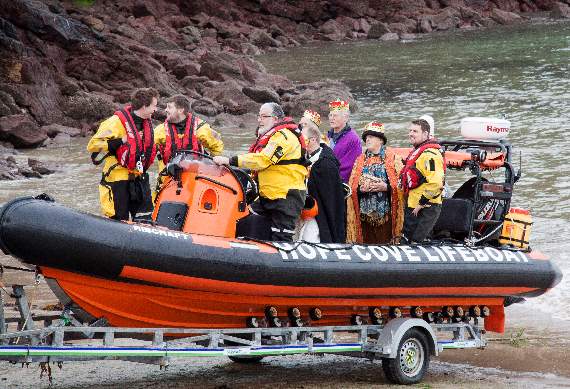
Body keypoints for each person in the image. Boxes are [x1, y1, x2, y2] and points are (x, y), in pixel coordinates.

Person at [213, 103, 308, 242]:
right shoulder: (271, 135)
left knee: (281, 237)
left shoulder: (284, 136)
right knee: (245, 219)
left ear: (275, 119)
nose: (259, 120)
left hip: (286, 196)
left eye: (264, 116)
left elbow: (263, 160)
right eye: (259, 116)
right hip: (268, 195)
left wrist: (229, 160)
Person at [87, 88, 159, 221]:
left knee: (146, 220)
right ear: (144, 106)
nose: (156, 109)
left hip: (138, 177)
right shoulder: (115, 122)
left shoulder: (146, 124)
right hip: (117, 178)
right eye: (154, 105)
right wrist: (122, 140)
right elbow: (93, 145)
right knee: (119, 220)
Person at [153, 95, 224, 194]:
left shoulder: (201, 128)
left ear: (180, 110)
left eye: (169, 107)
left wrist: (212, 169)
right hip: (168, 177)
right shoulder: (160, 131)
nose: (165, 110)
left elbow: (217, 147)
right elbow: (147, 150)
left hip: (195, 175)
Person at [346, 122, 403, 244]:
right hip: (364, 217)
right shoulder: (360, 159)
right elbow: (352, 186)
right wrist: (361, 189)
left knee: (386, 244)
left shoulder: (393, 158)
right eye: (366, 137)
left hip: (386, 217)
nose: (367, 139)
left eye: (371, 136)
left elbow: (401, 184)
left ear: (381, 140)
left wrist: (386, 187)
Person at [299, 110, 346, 243]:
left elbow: (329, 196)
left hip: (319, 212)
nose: (301, 143)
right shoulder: (303, 157)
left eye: (303, 140)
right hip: (303, 207)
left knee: (311, 238)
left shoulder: (326, 163)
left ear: (313, 139)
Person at [399, 119, 445, 243]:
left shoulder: (430, 154)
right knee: (406, 240)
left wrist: (422, 202)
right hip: (413, 205)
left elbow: (436, 183)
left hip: (426, 207)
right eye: (410, 130)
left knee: (414, 242)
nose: (411, 134)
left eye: (415, 131)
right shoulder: (418, 152)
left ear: (425, 134)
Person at [326, 99, 362, 183]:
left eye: (335, 115)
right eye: (330, 115)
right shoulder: (329, 135)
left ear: (345, 118)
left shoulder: (353, 139)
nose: (332, 118)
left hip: (341, 183)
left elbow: (350, 167)